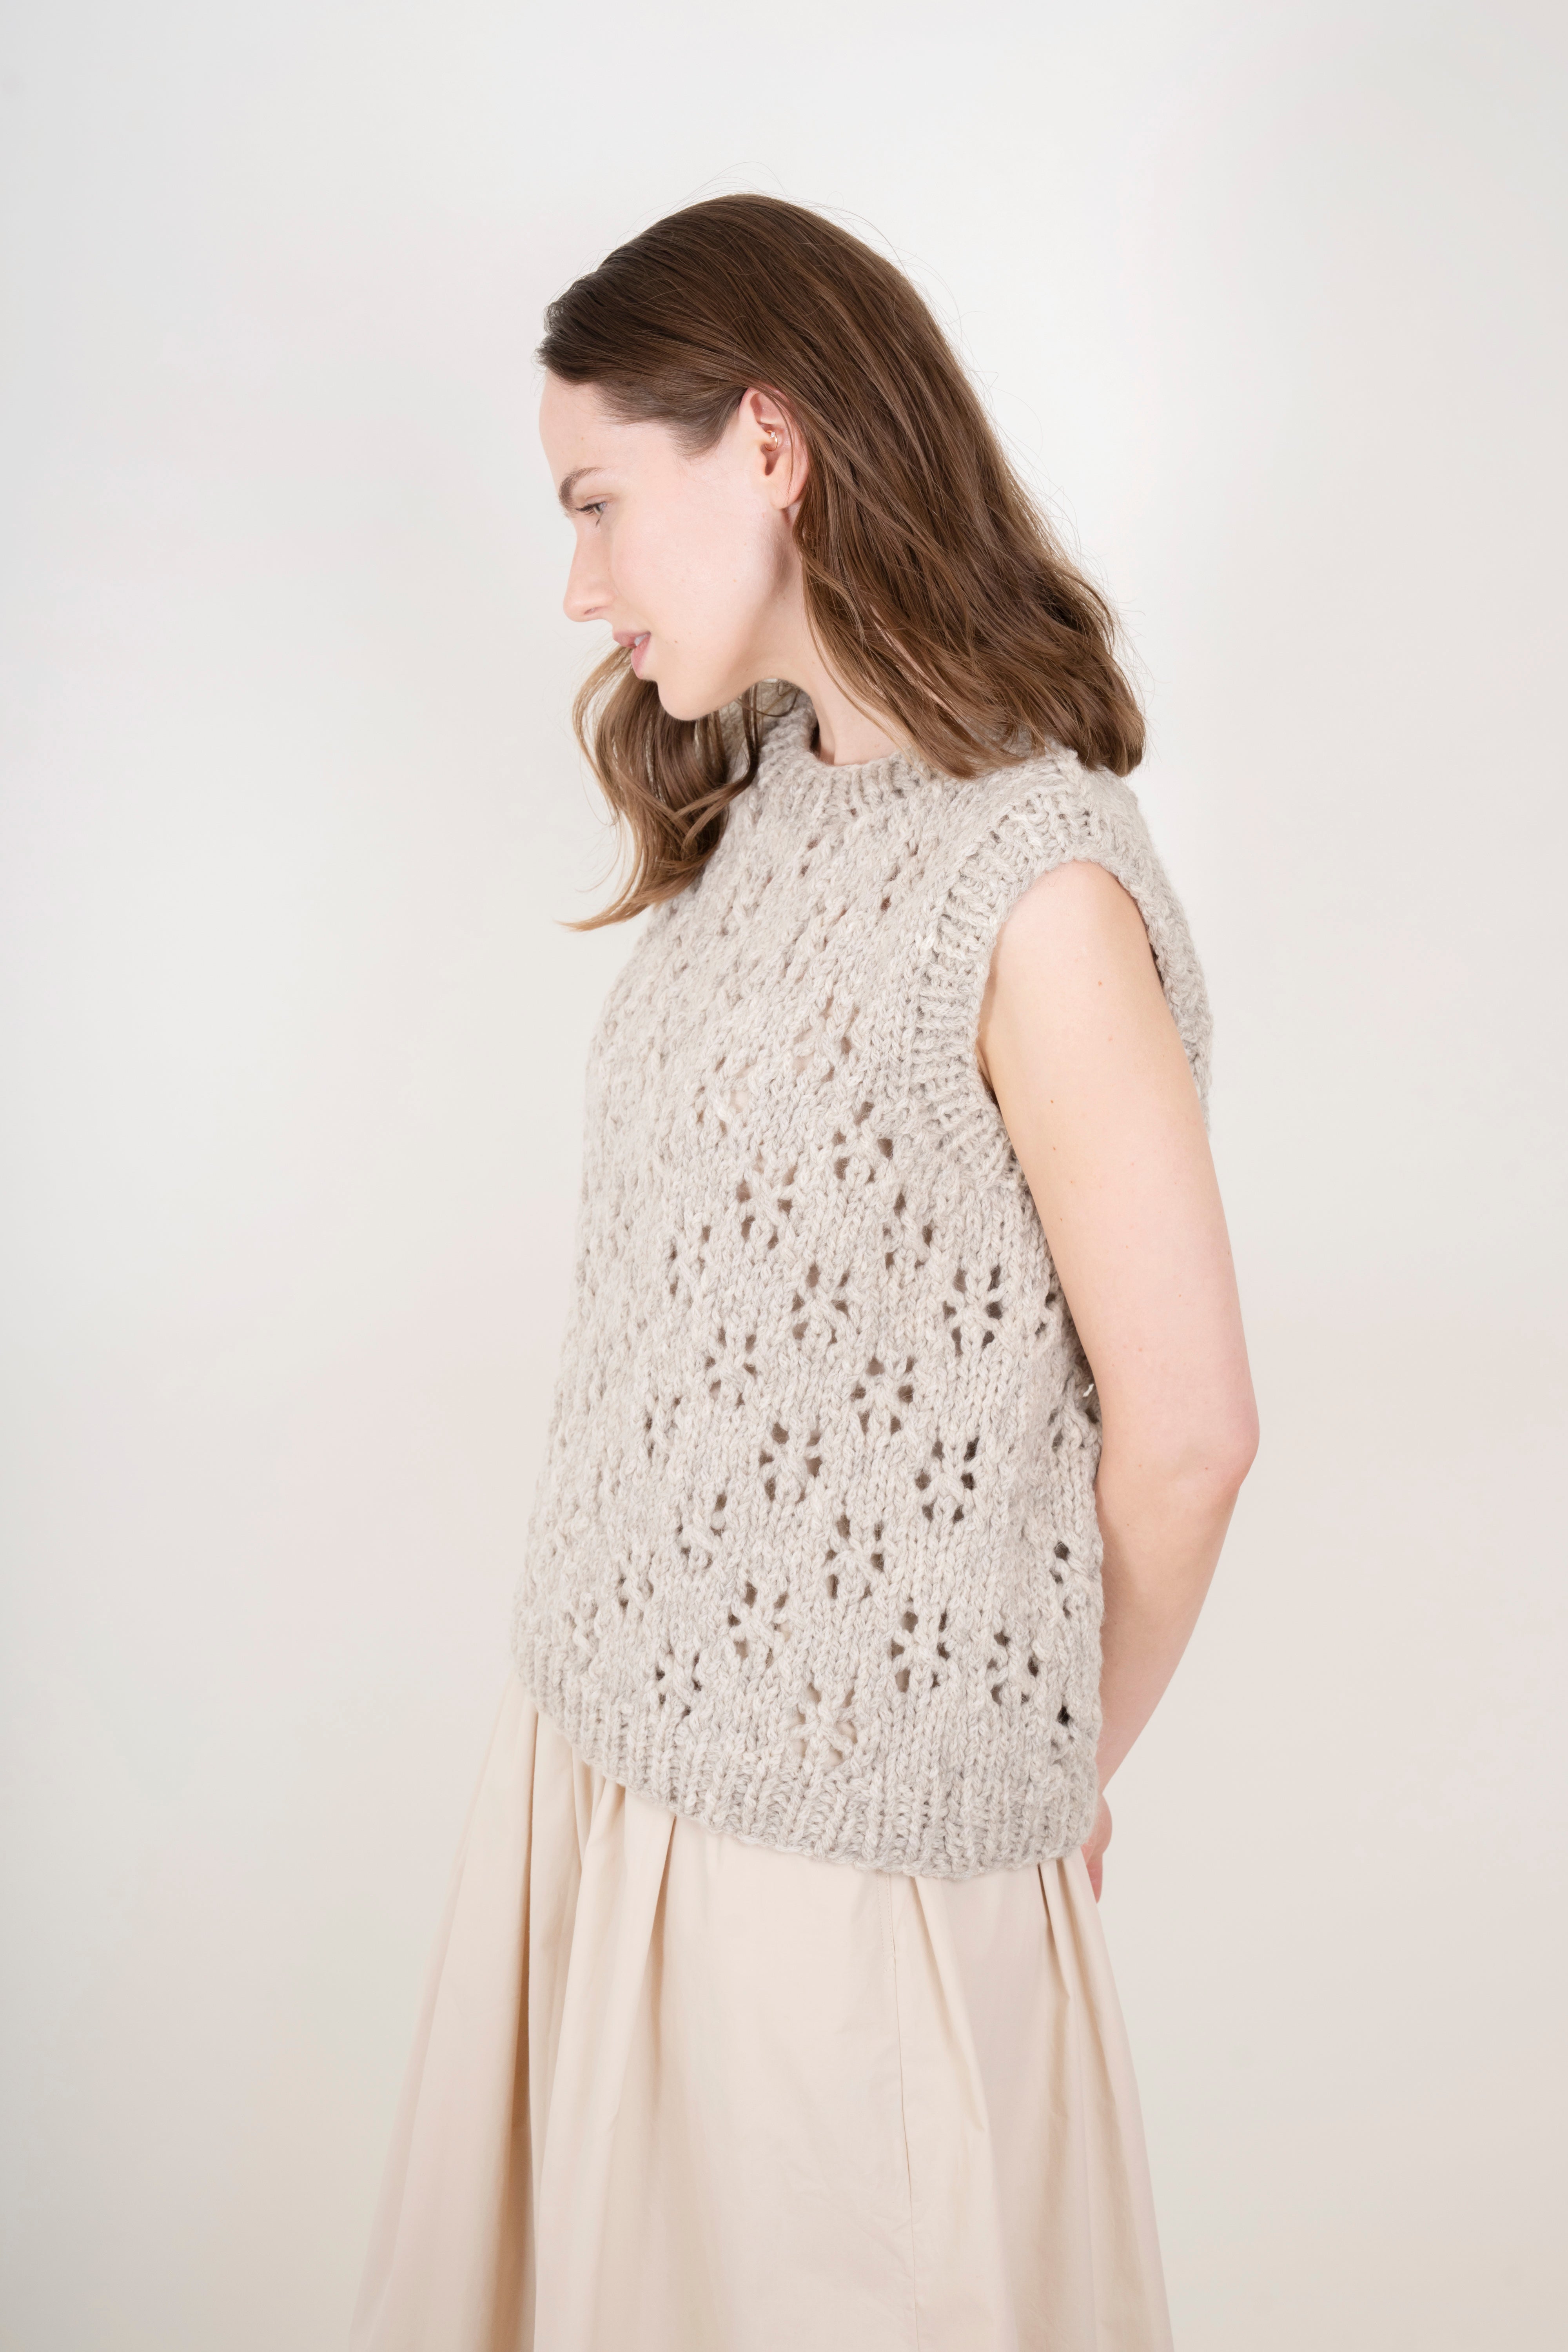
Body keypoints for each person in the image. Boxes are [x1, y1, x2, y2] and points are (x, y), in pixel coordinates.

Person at [349, 193, 1258, 2352]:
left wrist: (1053, 1763)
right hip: (606, 1772)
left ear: (769, 445)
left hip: (837, 1881)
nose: (578, 584)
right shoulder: (773, 793)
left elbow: (1192, 1437)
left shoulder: (1035, 892)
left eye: (597, 502)